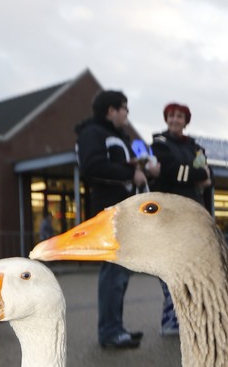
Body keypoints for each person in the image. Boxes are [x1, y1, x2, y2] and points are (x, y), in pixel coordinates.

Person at [75, 89, 158, 349]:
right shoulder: (92, 134)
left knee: (119, 273)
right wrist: (129, 172)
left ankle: (115, 328)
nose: (127, 113)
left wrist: (143, 171)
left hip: (123, 212)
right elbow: (91, 167)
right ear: (111, 110)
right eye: (124, 108)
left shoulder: (118, 136)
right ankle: (110, 332)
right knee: (114, 272)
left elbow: (120, 170)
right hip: (110, 213)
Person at [150, 102, 212, 336]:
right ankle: (170, 320)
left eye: (180, 116)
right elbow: (171, 171)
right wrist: (197, 174)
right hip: (170, 215)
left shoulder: (195, 147)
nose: (175, 120)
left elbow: (209, 175)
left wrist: (198, 175)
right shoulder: (159, 144)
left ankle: (187, 317)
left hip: (194, 214)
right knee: (171, 268)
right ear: (166, 119)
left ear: (186, 121)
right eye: (172, 116)